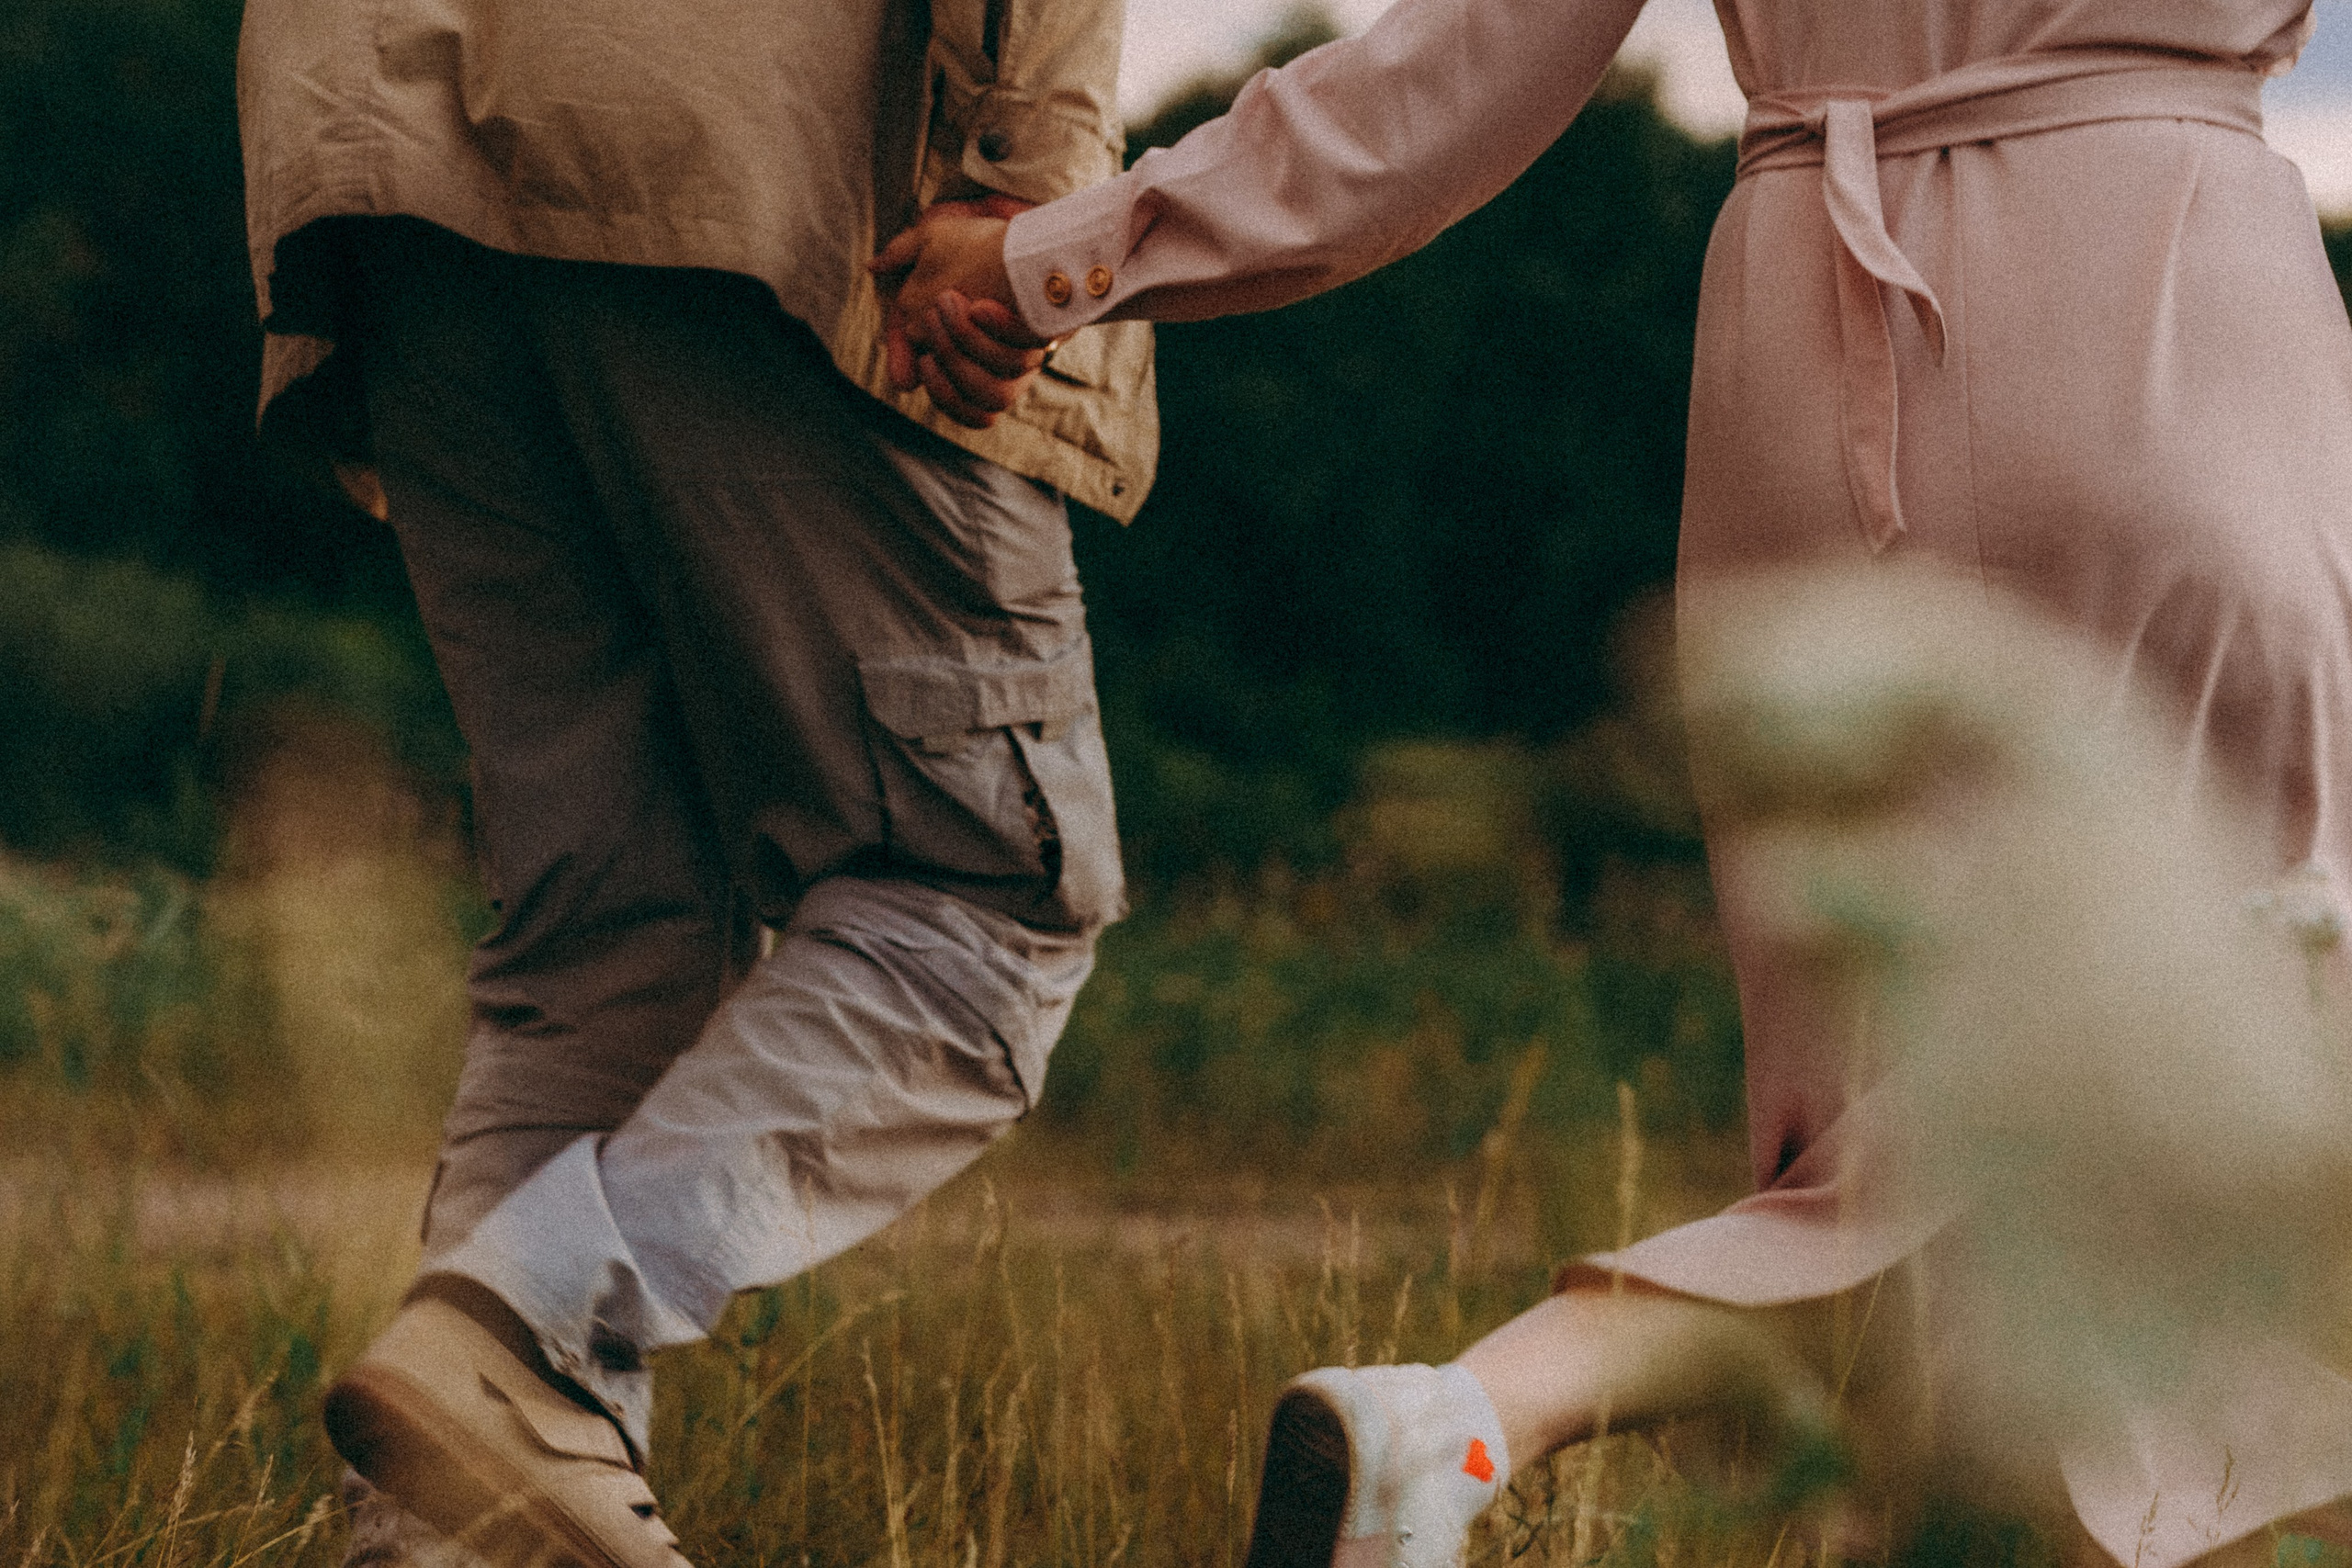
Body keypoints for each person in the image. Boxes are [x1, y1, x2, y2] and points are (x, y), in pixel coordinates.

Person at [874, 1, 2352, 1563]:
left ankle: (1454, 1426)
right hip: (2174, 311)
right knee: (2249, 1048)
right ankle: (1487, 1418)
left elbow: (1461, 62)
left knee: (1892, 1126)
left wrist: (1074, 257)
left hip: (1805, 337)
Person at [233, 0, 1156, 1562]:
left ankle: (435, 1543)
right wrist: (1022, 173)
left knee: (602, 937)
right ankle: (536, 1331)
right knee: (986, 900)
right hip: (749, 142)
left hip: (383, 153)